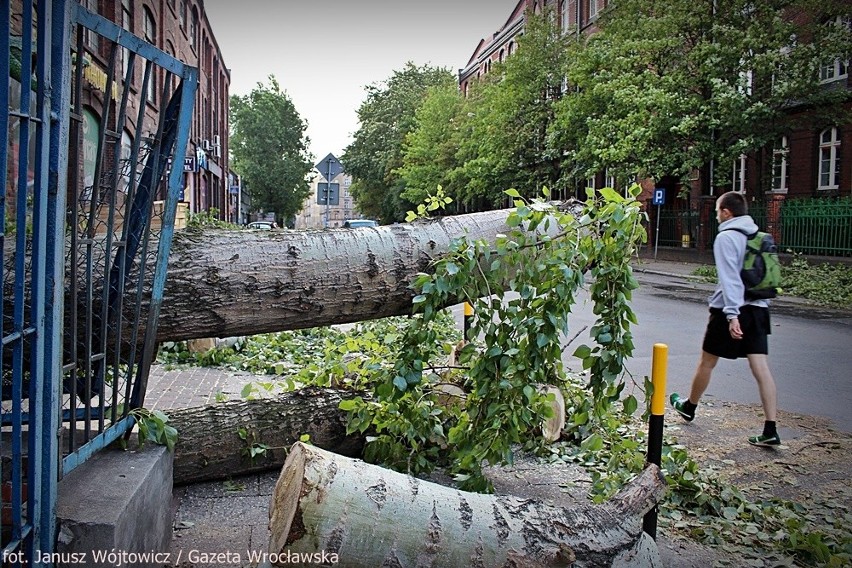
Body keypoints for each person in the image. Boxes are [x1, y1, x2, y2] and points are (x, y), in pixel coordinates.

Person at [670, 191, 780, 447]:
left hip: (729, 310)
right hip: (759, 308)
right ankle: (770, 428)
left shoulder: (727, 237)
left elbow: (730, 278)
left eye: (718, 211)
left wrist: (732, 315)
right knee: (761, 367)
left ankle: (690, 406)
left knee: (707, 361)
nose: (717, 215)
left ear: (726, 212)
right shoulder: (758, 235)